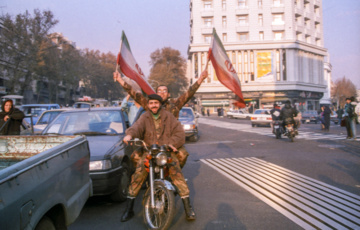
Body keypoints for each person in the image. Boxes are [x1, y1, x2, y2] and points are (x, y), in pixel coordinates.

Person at [121, 94, 196, 222]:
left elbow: (179, 132)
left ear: (160, 104)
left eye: (156, 103)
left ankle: (188, 209)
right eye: (151, 103)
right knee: (137, 176)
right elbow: (136, 127)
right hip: (150, 151)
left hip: (165, 151)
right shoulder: (145, 117)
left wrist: (171, 144)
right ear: (148, 105)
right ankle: (129, 209)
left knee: (178, 176)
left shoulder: (169, 116)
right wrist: (129, 135)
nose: (154, 105)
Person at [113, 70, 208, 169]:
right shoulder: (150, 104)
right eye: (159, 91)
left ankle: (173, 174)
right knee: (136, 158)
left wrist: (200, 79)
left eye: (164, 91)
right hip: (153, 142)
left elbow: (189, 93)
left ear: (169, 94)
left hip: (170, 142)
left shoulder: (175, 104)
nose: (162, 93)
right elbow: (134, 94)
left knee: (182, 156)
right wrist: (120, 80)